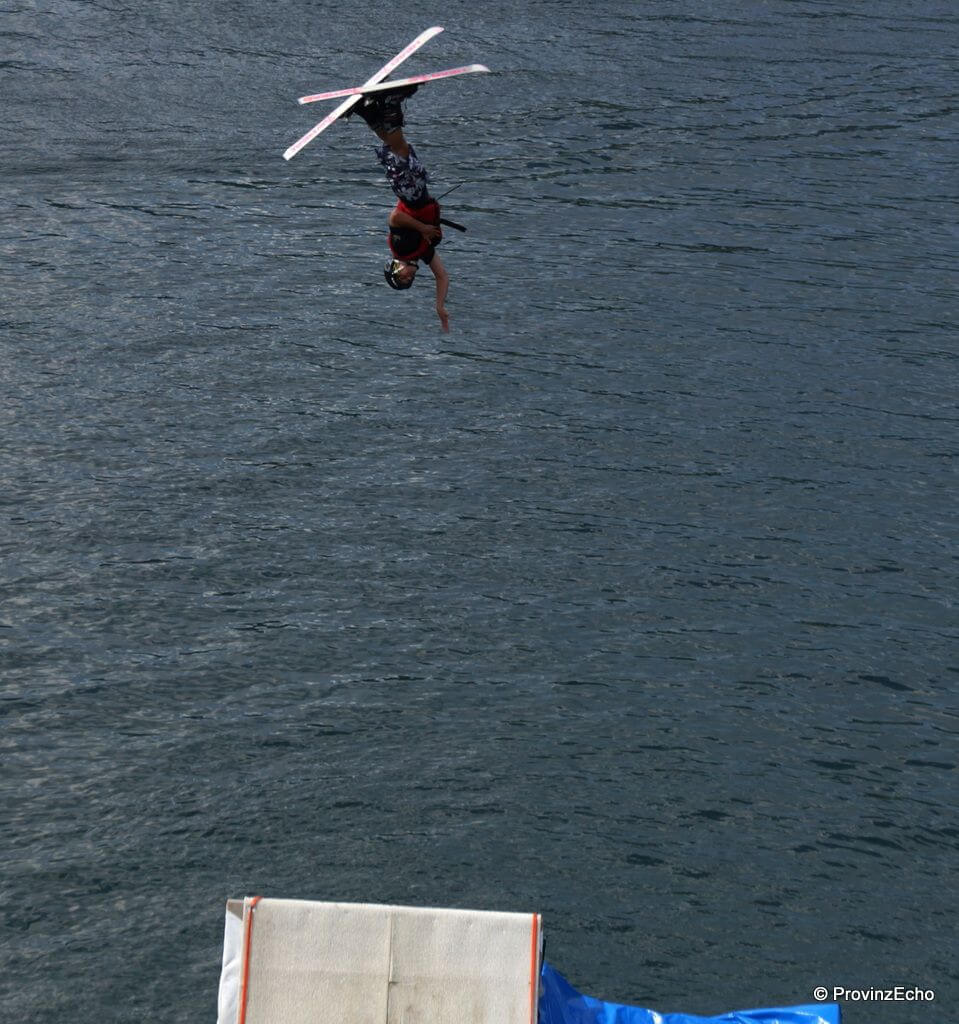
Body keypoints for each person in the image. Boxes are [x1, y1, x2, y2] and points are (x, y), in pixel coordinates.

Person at [351, 86, 451, 331]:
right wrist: (440, 307)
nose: (409, 278)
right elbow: (442, 276)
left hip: (410, 195)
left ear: (395, 268)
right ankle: (368, 112)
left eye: (402, 277)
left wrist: (423, 228)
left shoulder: (402, 247)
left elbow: (395, 217)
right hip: (415, 194)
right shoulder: (420, 254)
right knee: (396, 148)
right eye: (409, 281)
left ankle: (390, 104)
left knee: (401, 150)